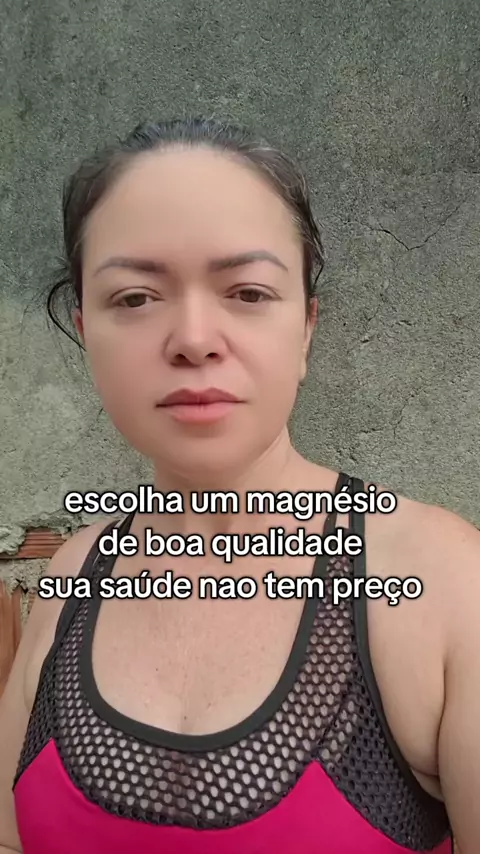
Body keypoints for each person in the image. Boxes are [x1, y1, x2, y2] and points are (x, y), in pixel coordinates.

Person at [0, 117, 478, 854]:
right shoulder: (71, 576)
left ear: (307, 328)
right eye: (135, 298)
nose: (194, 339)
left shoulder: (444, 584)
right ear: (85, 328)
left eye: (249, 292)